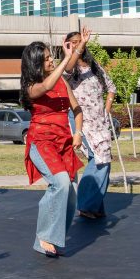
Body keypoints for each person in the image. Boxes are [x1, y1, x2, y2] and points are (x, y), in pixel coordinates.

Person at [20, 35, 86, 257]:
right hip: (42, 141)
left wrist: (78, 132)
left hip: (64, 142)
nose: (50, 61)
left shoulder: (62, 81)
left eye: (51, 57)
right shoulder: (31, 87)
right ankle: (45, 235)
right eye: (46, 59)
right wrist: (66, 59)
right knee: (60, 184)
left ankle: (52, 241)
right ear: (35, 63)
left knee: (72, 193)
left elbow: (77, 109)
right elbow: (47, 85)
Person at [63, 29, 115, 219]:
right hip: (81, 121)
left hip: (99, 121)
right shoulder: (67, 68)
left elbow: (111, 87)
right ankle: (85, 205)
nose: (78, 44)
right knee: (98, 159)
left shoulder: (93, 66)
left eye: (80, 41)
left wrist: (106, 109)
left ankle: (95, 206)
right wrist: (79, 46)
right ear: (67, 44)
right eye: (74, 42)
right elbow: (67, 69)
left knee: (105, 159)